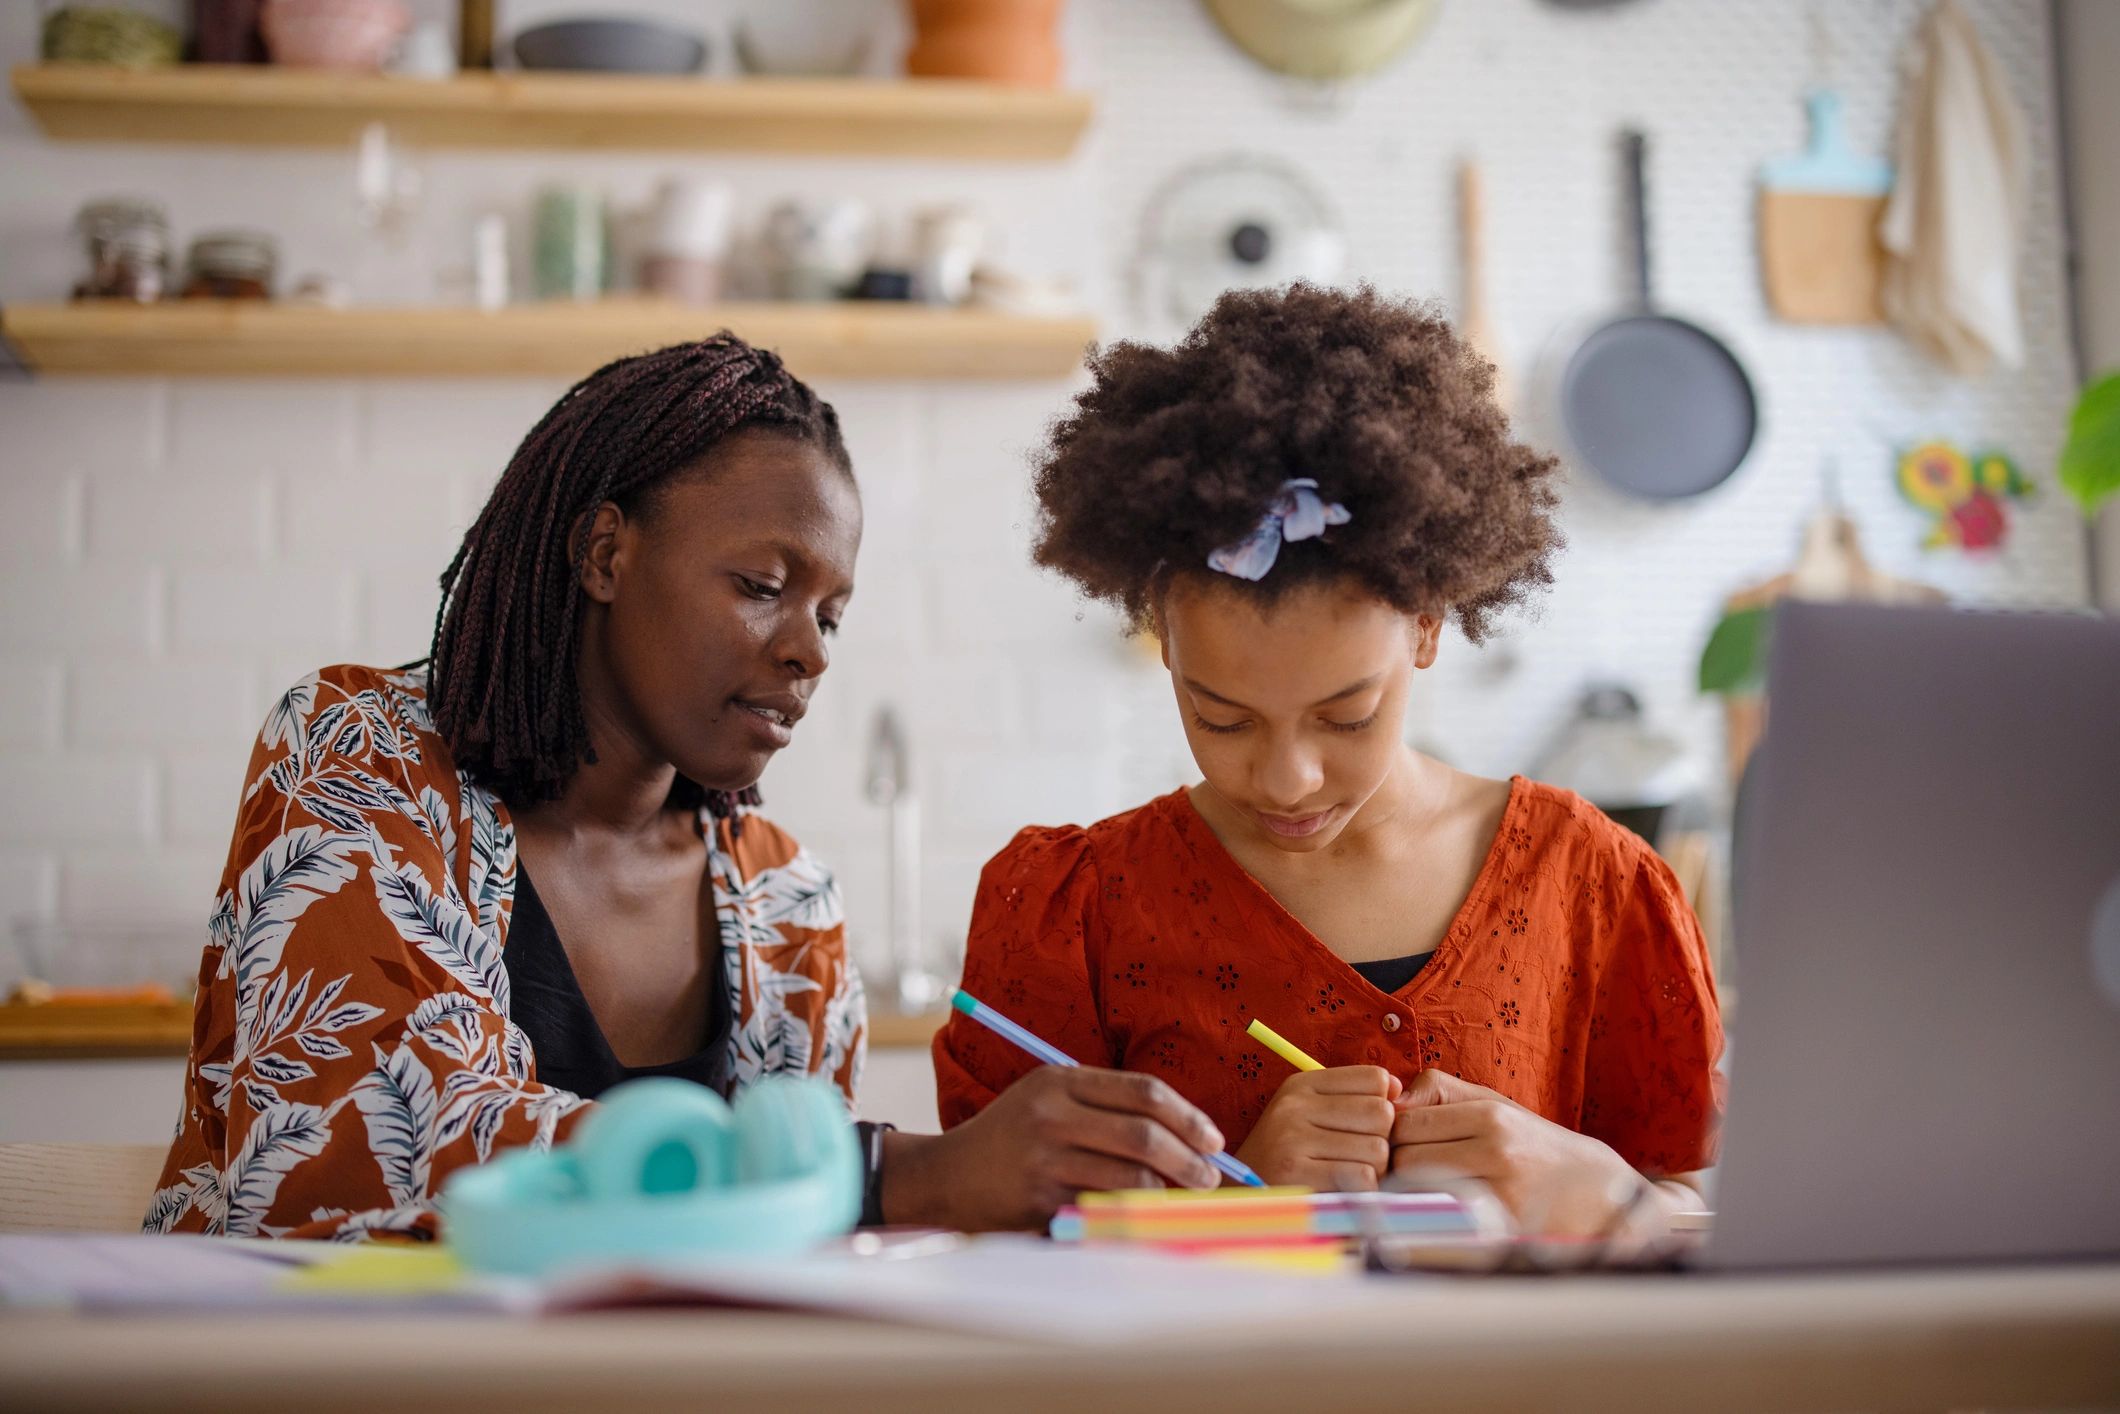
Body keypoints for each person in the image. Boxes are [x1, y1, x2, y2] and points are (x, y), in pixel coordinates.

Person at [147, 336, 1227, 1241]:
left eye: (831, 614)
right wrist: (892, 1176)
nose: (808, 651)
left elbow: (782, 1258)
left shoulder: (788, 909)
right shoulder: (362, 759)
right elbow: (369, 1151)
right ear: (605, 555)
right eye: (763, 586)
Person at [934, 286, 1725, 1236]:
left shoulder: (1594, 884)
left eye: (1347, 716)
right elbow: (991, 1260)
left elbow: (1691, 1219)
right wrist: (1233, 1204)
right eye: (1219, 718)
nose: (1285, 779)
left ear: (1428, 629)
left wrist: (1599, 1188)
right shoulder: (1075, 913)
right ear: (1165, 645)